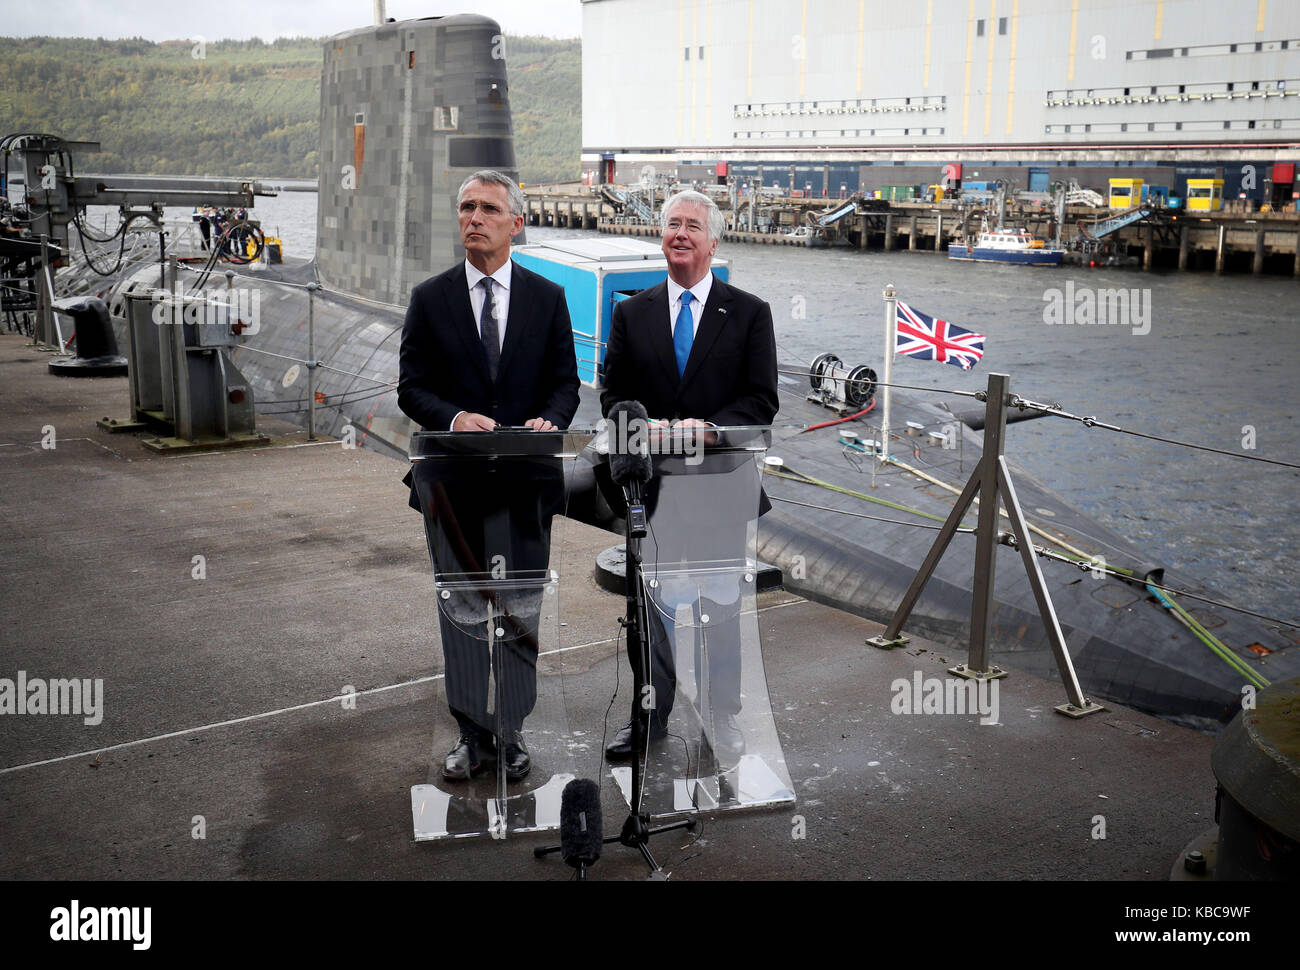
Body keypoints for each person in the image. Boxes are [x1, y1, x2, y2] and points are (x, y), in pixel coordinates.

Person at [398, 169, 579, 782]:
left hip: (524, 485)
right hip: (453, 485)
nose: (474, 218)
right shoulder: (430, 298)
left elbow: (564, 385)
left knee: (521, 610)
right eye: (467, 208)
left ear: (516, 223)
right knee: (465, 611)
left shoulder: (547, 298)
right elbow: (411, 387)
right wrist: (453, 416)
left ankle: (514, 731)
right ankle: (473, 735)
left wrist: (548, 421)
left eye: (488, 209)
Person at [599, 189, 777, 761]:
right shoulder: (631, 312)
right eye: (672, 224)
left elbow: (761, 399)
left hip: (720, 485)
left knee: (720, 608)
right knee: (648, 613)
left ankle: (722, 719)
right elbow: (614, 395)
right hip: (649, 492)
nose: (680, 233)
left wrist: (711, 430)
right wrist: (642, 426)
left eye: (692, 226)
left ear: (713, 240)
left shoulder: (750, 313)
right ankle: (649, 719)